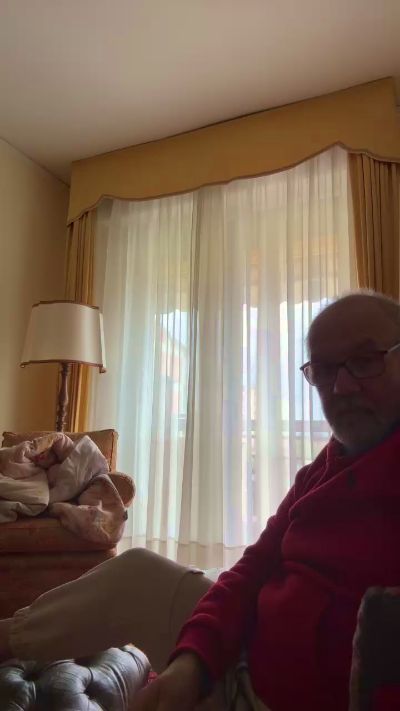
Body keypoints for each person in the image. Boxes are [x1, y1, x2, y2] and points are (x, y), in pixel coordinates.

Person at [1, 290, 400, 711]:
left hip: (286, 695)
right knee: (139, 572)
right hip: (245, 656)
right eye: (324, 369)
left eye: (364, 361)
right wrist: (193, 663)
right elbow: (253, 566)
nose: (341, 387)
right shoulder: (329, 463)